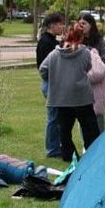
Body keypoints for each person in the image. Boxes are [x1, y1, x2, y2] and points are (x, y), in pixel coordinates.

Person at [39, 23, 100, 161]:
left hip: (61, 98)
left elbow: (43, 69)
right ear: (81, 38)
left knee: (64, 130)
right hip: (82, 97)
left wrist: (54, 78)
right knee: (89, 128)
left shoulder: (54, 55)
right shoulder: (84, 52)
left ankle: (69, 155)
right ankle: (93, 153)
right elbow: (88, 67)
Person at [36, 12, 67, 158]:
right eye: (60, 24)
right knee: (53, 117)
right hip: (51, 84)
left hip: (52, 83)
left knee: (57, 117)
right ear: (52, 25)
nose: (62, 26)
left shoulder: (50, 41)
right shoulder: (48, 43)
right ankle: (52, 149)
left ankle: (56, 145)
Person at [82, 15, 105, 131]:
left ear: (91, 25)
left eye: (84, 23)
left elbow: (103, 64)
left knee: (97, 114)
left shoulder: (99, 41)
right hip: (82, 83)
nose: (81, 26)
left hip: (97, 82)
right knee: (83, 116)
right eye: (80, 23)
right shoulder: (78, 40)